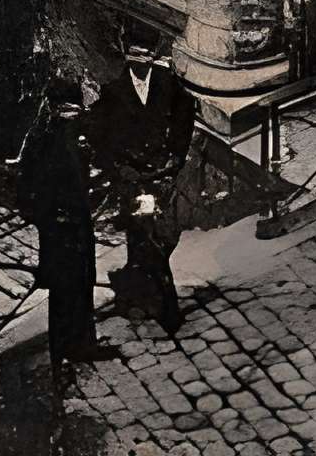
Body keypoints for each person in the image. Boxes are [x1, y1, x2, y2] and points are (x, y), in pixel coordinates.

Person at [93, 44, 197, 338]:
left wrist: (176, 153)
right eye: (136, 59)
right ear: (128, 60)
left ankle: (144, 294)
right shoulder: (113, 91)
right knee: (143, 237)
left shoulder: (167, 84)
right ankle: (164, 306)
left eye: (146, 59)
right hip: (132, 180)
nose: (142, 65)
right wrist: (118, 169)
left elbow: (185, 113)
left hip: (159, 175)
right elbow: (102, 138)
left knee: (154, 237)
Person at [17, 75, 113, 365]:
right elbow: (26, 190)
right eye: (69, 110)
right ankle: (63, 351)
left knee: (81, 285)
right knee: (63, 291)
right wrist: (50, 216)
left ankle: (82, 345)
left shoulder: (73, 136)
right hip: (59, 230)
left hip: (77, 225)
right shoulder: (42, 139)